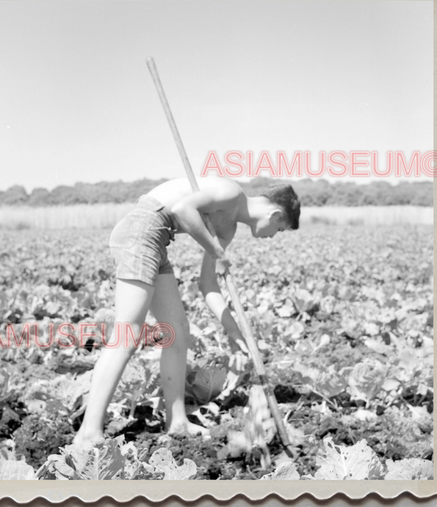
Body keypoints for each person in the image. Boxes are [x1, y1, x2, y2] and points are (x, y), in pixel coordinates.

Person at [74, 177, 300, 445]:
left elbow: (208, 285)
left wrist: (233, 333)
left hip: (157, 240)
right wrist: (215, 250)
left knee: (178, 332)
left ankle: (177, 421)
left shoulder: (227, 230)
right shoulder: (231, 192)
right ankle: (88, 433)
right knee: (127, 336)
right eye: (279, 229)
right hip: (142, 230)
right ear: (275, 214)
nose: (273, 235)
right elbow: (183, 210)